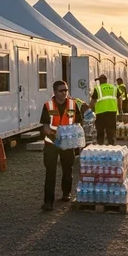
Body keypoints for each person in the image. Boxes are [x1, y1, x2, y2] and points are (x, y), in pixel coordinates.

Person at [40, 80, 84, 211]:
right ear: (54, 92)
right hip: (51, 143)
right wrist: (54, 138)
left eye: (66, 90)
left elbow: (78, 124)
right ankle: (48, 202)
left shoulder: (73, 104)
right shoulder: (48, 106)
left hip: (68, 143)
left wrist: (77, 140)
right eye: (61, 91)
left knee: (67, 169)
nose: (64, 93)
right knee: (50, 172)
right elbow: (45, 126)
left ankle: (66, 193)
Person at [90, 75, 121, 145]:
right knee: (111, 130)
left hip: (100, 113)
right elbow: (120, 98)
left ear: (102, 80)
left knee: (100, 131)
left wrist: (91, 109)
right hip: (112, 112)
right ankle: (111, 145)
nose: (99, 82)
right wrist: (120, 108)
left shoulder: (98, 89)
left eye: (99, 80)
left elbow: (92, 101)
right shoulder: (114, 87)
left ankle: (100, 145)